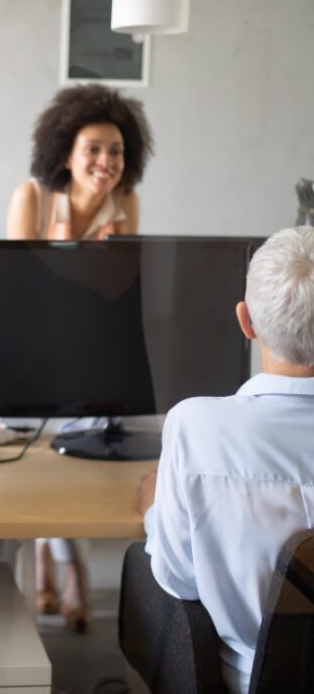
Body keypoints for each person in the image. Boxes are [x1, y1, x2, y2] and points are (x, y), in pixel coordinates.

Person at [136, 226, 314, 694]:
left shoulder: (195, 426)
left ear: (246, 321)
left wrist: (155, 510)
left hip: (254, 679)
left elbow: (176, 579)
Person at [7, 83, 154, 628]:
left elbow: (119, 294)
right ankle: (71, 575)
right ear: (65, 151)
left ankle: (51, 563)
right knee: (47, 464)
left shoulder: (127, 203)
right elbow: (19, 294)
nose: (106, 162)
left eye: (116, 151)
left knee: (78, 459)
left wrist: (70, 265)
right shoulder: (33, 199)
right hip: (36, 354)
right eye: (93, 148)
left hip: (96, 354)